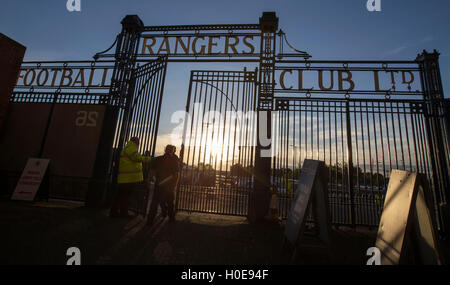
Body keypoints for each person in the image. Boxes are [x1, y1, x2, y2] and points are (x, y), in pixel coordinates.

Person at [110, 137, 151, 218]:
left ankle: (114, 212)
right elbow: (138, 158)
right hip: (128, 178)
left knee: (120, 196)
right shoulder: (131, 148)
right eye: (138, 141)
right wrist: (150, 159)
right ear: (136, 142)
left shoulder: (127, 148)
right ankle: (123, 213)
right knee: (126, 197)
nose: (139, 143)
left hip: (124, 178)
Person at [147, 144, 180, 226]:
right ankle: (171, 218)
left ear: (165, 150)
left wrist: (149, 180)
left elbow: (152, 171)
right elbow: (176, 175)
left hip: (159, 184)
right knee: (170, 203)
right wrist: (174, 185)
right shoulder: (174, 161)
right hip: (169, 186)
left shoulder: (158, 159)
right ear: (173, 151)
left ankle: (150, 220)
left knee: (154, 203)